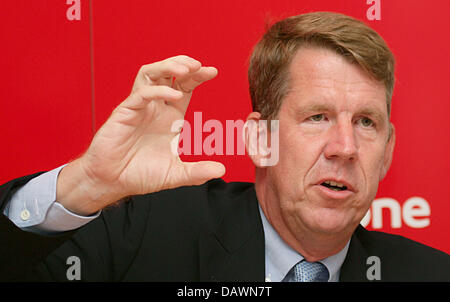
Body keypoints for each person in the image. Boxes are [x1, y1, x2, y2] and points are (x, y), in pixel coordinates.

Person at [0, 12, 449, 282]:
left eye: (366, 123)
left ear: (387, 150)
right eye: (317, 117)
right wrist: (87, 184)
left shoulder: (430, 274)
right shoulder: (146, 237)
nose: (345, 147)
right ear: (258, 139)